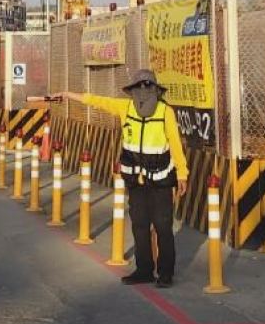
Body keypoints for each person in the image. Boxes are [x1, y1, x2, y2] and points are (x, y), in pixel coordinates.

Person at [69, 69, 190, 288]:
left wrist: (182, 174)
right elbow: (97, 101)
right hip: (136, 180)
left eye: (147, 88)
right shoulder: (125, 107)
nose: (143, 93)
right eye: (139, 89)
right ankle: (144, 270)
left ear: (155, 91)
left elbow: (175, 143)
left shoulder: (165, 112)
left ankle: (165, 273)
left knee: (163, 227)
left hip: (161, 179)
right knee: (140, 225)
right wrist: (69, 94)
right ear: (133, 91)